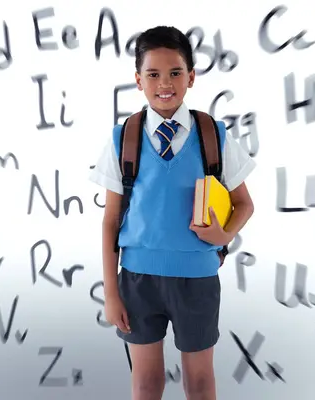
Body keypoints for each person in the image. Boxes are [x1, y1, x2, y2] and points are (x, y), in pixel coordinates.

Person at [89, 25, 256, 400]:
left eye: (175, 73)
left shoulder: (213, 135)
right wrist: (111, 293)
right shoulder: (123, 138)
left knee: (199, 382)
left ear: (191, 77)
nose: (165, 83)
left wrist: (223, 235)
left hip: (196, 279)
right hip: (137, 281)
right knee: (146, 383)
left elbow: (245, 203)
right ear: (138, 80)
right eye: (153, 74)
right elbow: (110, 221)